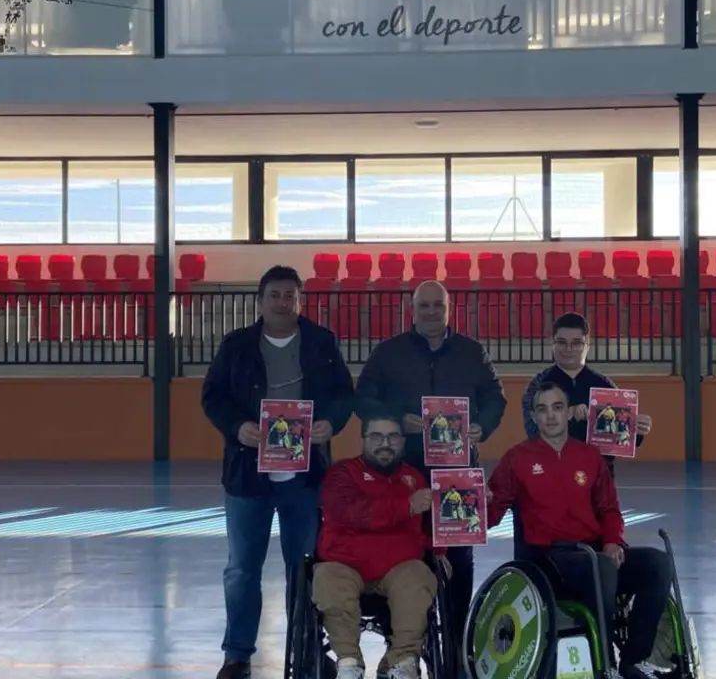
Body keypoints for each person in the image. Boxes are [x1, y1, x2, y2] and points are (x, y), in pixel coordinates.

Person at [202, 265, 356, 679]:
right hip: (247, 478)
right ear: (260, 301)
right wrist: (237, 428)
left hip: (305, 480)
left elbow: (343, 393)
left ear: (300, 301)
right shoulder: (236, 345)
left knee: (305, 568)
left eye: (290, 295)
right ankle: (237, 655)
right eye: (275, 295)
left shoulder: (322, 343)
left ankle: (307, 649)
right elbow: (212, 396)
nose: (282, 302)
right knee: (241, 570)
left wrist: (330, 423)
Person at [355, 279, 506, 676]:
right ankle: (400, 649)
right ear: (412, 308)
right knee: (403, 555)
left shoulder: (473, 352)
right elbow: (364, 398)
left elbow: (495, 396)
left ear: (449, 308)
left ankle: (455, 645)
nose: (431, 312)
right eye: (424, 305)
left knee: (459, 559)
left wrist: (482, 426)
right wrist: (395, 419)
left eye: (438, 306)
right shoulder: (388, 353)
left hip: (458, 474)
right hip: (404, 473)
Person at [487, 381, 674, 679]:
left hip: (595, 552)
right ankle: (604, 665)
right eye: (542, 409)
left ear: (567, 413)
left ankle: (633, 659)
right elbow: (490, 516)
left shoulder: (589, 456)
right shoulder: (516, 459)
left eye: (557, 408)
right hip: (548, 561)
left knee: (657, 563)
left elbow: (609, 510)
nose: (550, 416)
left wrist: (613, 541)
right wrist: (482, 503)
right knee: (600, 566)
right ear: (534, 417)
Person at [313, 409, 451, 679]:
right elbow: (353, 513)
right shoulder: (341, 473)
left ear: (402, 441)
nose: (385, 443)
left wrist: (440, 552)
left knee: (420, 577)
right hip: (345, 563)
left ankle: (401, 663)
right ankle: (349, 662)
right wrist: (405, 505)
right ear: (363, 440)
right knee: (328, 579)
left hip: (398, 566)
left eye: (392, 437)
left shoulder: (415, 478)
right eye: (376, 437)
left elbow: (434, 520)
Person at [521, 312, 654, 477]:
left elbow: (622, 441)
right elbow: (533, 431)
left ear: (587, 345)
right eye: (561, 342)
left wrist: (637, 429)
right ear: (552, 344)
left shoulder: (605, 386)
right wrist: (566, 415)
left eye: (576, 343)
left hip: (597, 479)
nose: (568, 349)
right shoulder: (538, 385)